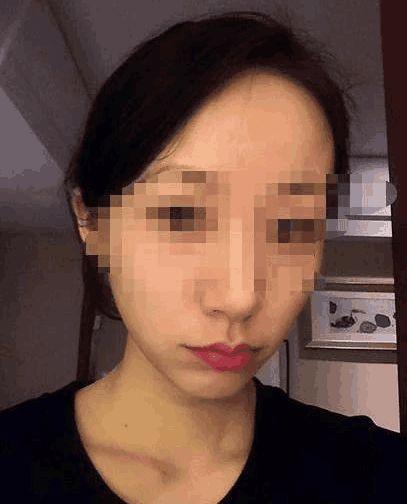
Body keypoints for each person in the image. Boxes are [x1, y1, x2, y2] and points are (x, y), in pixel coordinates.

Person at [1, 10, 406, 504]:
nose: (239, 297)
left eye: (292, 226)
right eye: (181, 215)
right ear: (91, 221)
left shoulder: (379, 477)